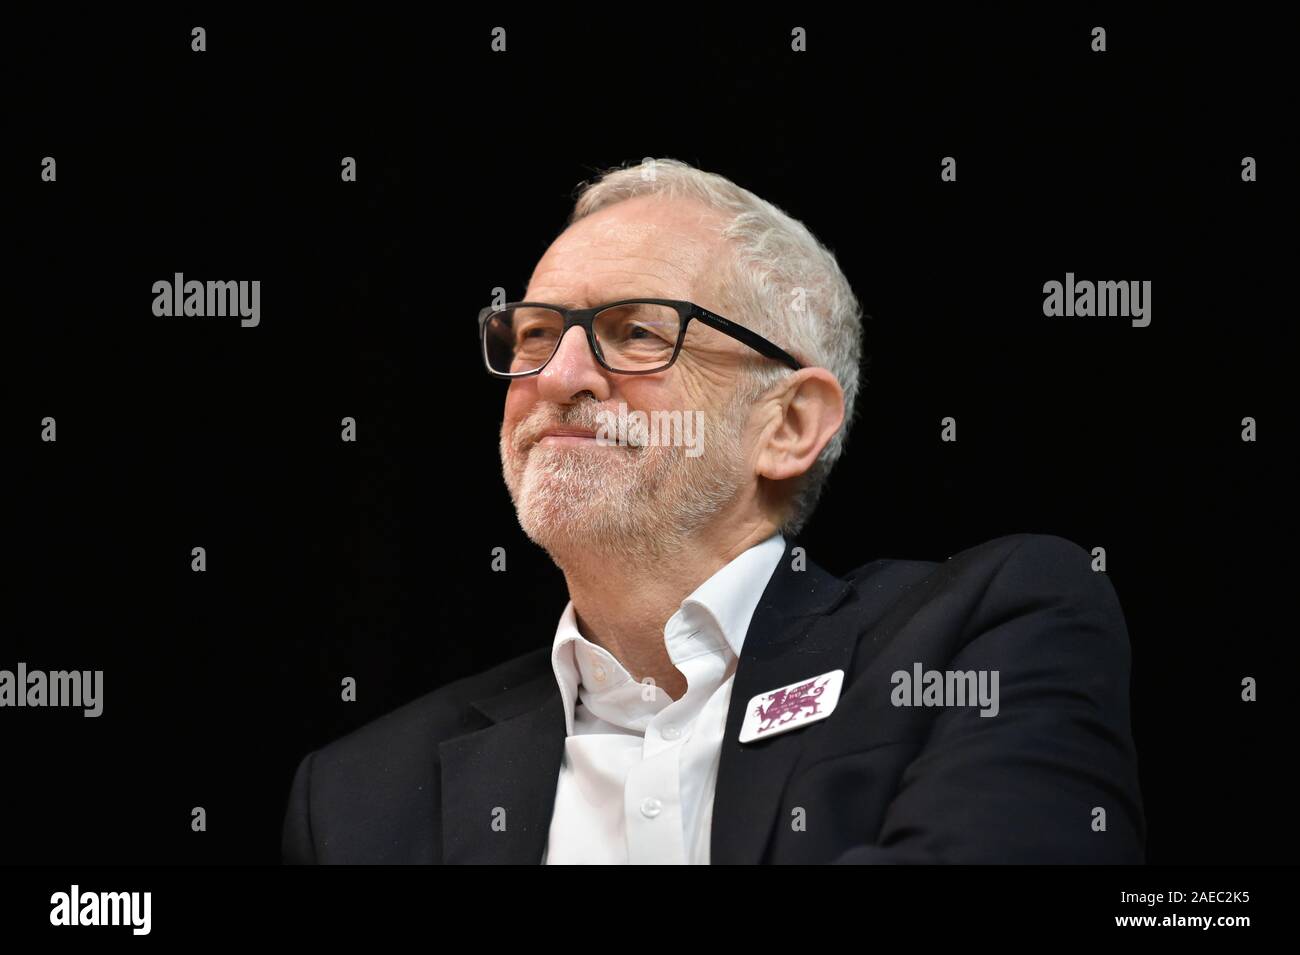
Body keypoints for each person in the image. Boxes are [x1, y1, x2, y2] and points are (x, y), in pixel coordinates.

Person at [281, 158, 1144, 864]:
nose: (554, 377)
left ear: (790, 423)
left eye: (638, 332)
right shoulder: (358, 796)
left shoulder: (988, 630)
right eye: (536, 334)